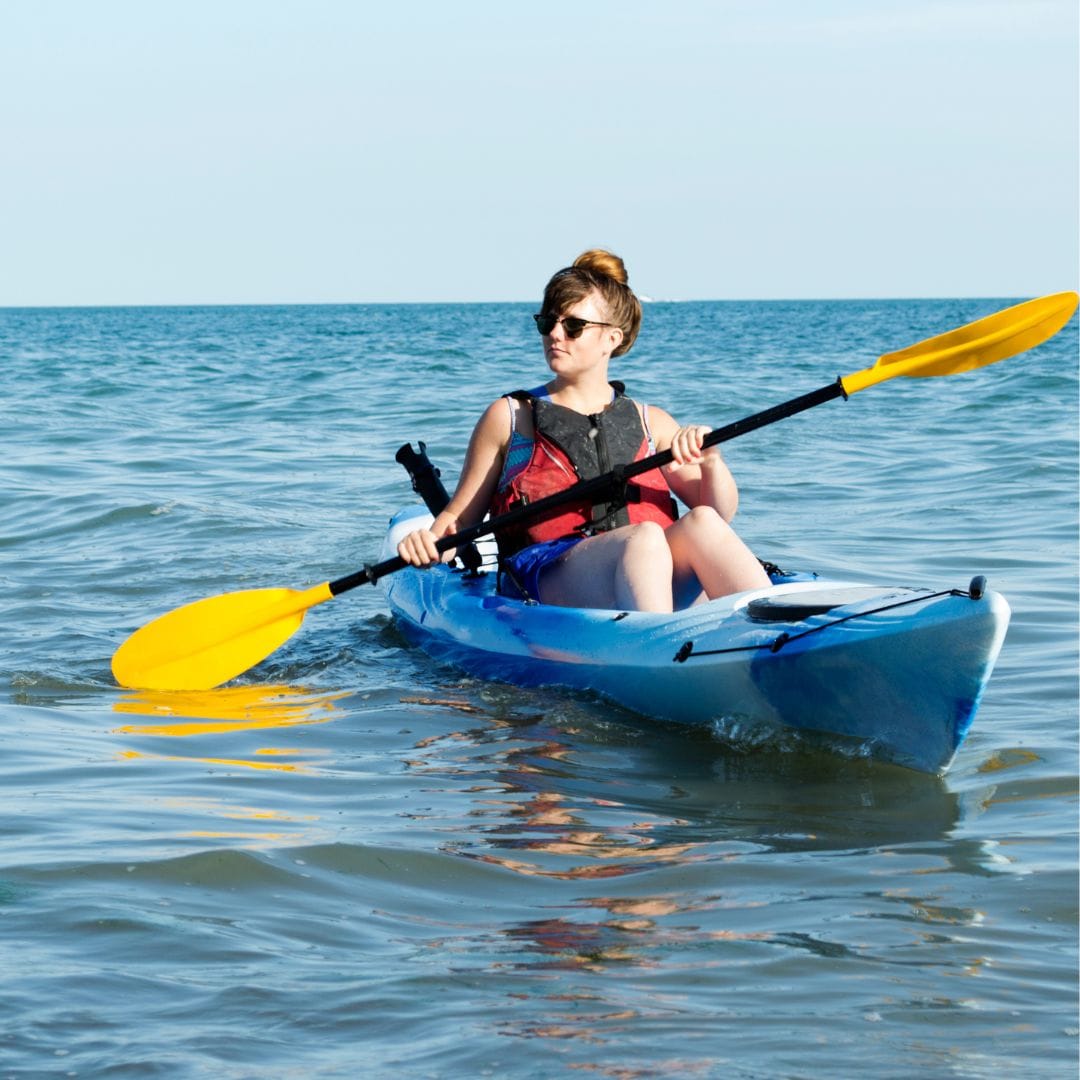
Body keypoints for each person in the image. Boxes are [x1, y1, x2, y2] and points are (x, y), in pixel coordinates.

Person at [397, 249, 771, 612]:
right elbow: (461, 521)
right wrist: (429, 544)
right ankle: (654, 644)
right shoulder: (511, 417)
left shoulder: (652, 421)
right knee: (644, 538)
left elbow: (719, 514)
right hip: (549, 576)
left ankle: (776, 628)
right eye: (547, 322)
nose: (555, 334)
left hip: (647, 568)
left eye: (573, 326)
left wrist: (712, 462)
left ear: (613, 338)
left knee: (701, 523)